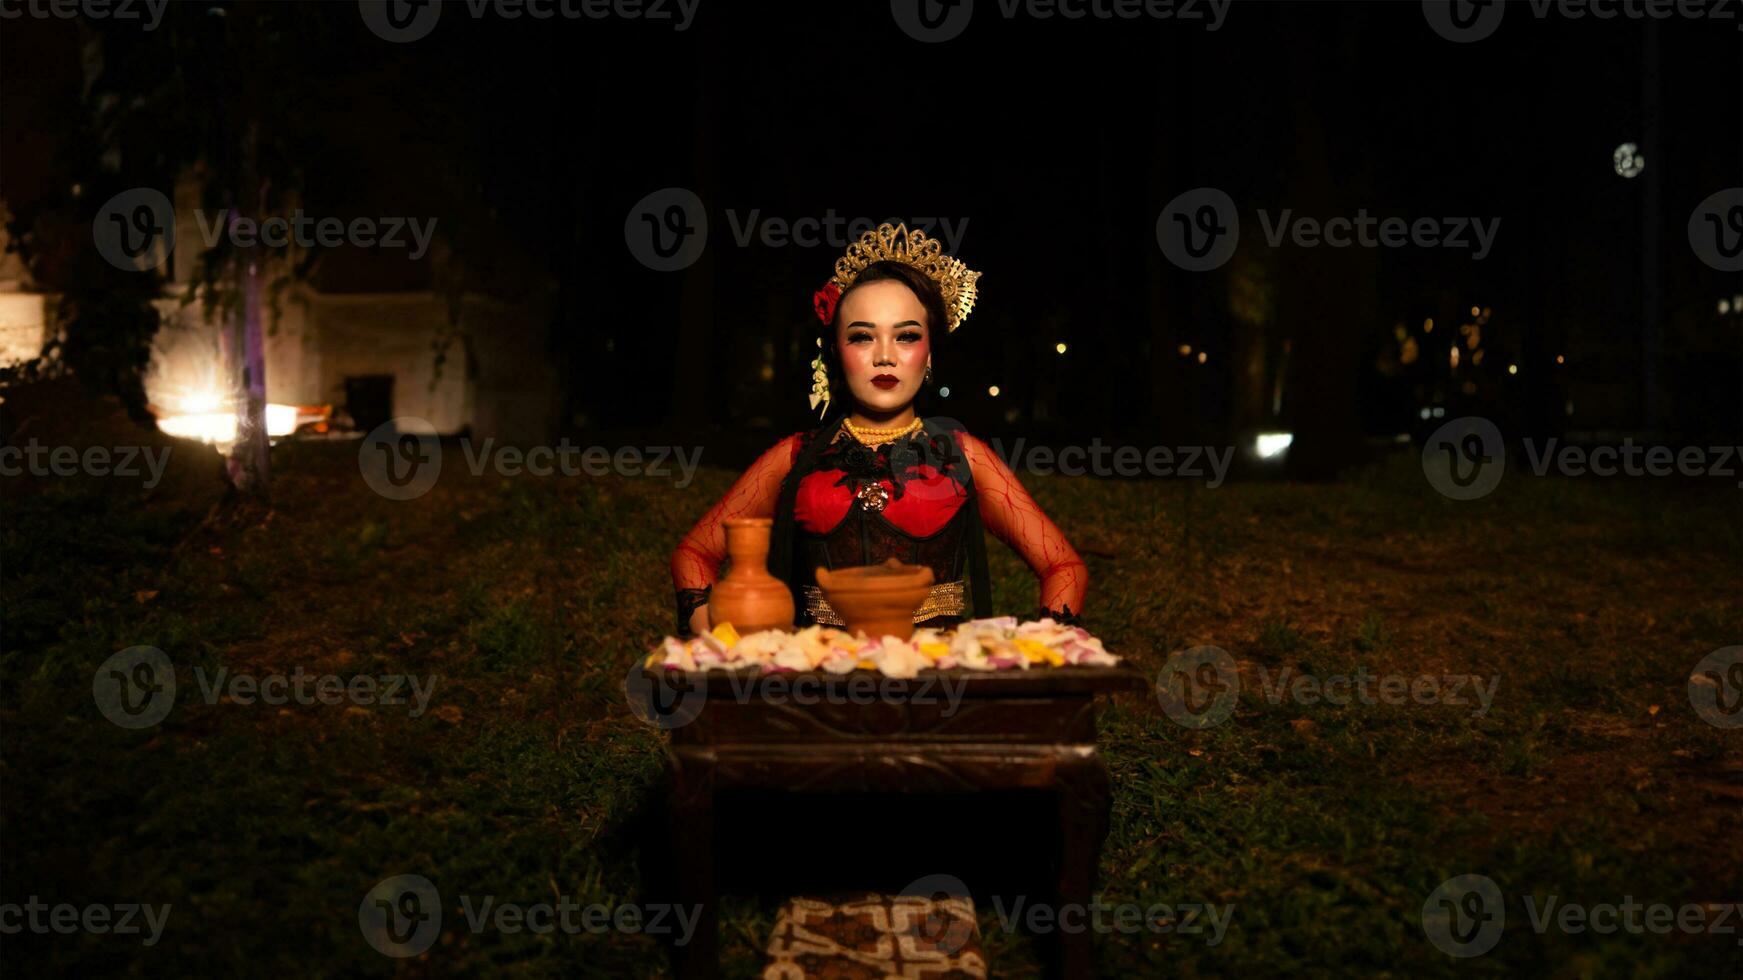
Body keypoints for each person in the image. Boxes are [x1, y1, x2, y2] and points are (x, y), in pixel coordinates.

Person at [669, 223, 1087, 638]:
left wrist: (1042, 655)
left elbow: (1063, 566)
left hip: (937, 689)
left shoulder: (962, 455)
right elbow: (695, 553)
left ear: (929, 354)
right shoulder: (795, 456)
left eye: (906, 336)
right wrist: (717, 643)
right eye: (862, 337)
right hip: (818, 688)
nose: (884, 356)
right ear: (835, 351)